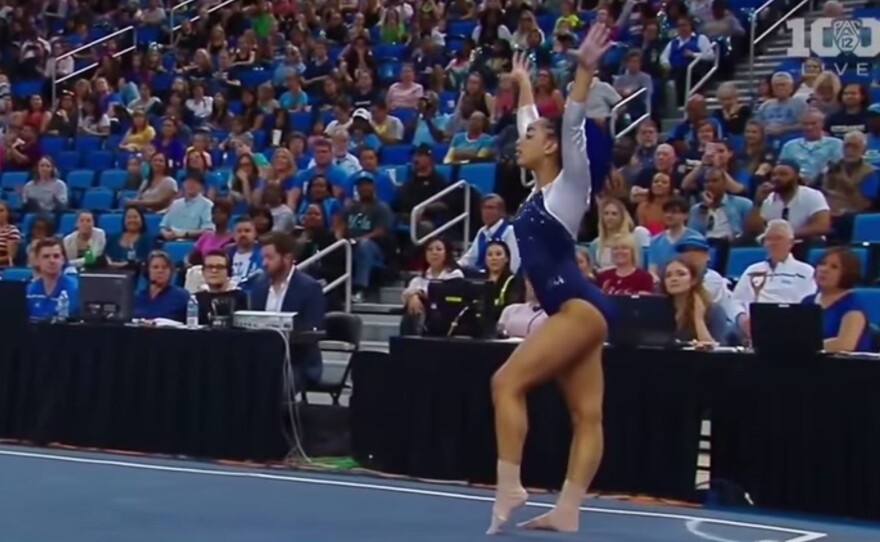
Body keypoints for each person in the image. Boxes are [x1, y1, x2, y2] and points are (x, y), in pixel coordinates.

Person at [488, 25, 613, 534]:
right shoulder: (541, 193)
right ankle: (567, 511)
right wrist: (521, 84)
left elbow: (573, 125)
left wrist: (583, 70)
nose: (522, 140)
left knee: (506, 382)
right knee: (586, 414)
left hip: (578, 310)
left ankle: (510, 482)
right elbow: (532, 121)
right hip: (575, 311)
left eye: (532, 138)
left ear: (553, 147)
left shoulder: (570, 187)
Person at [249, 231, 326, 386]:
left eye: (269, 258)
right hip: (262, 359)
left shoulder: (310, 288)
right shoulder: (259, 285)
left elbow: (313, 331)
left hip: (297, 361)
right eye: (263, 257)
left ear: (287, 258)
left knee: (272, 383)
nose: (264, 263)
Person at [801, 247, 871, 352]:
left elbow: (845, 344)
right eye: (822, 264)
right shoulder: (807, 301)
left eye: (834, 267)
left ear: (847, 273)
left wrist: (804, 347)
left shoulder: (853, 306)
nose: (824, 269)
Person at [26, 238, 79, 319]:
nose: (52, 260)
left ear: (63, 260)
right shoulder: (28, 291)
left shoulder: (76, 289)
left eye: (56, 256)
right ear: (37, 260)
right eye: (46, 256)